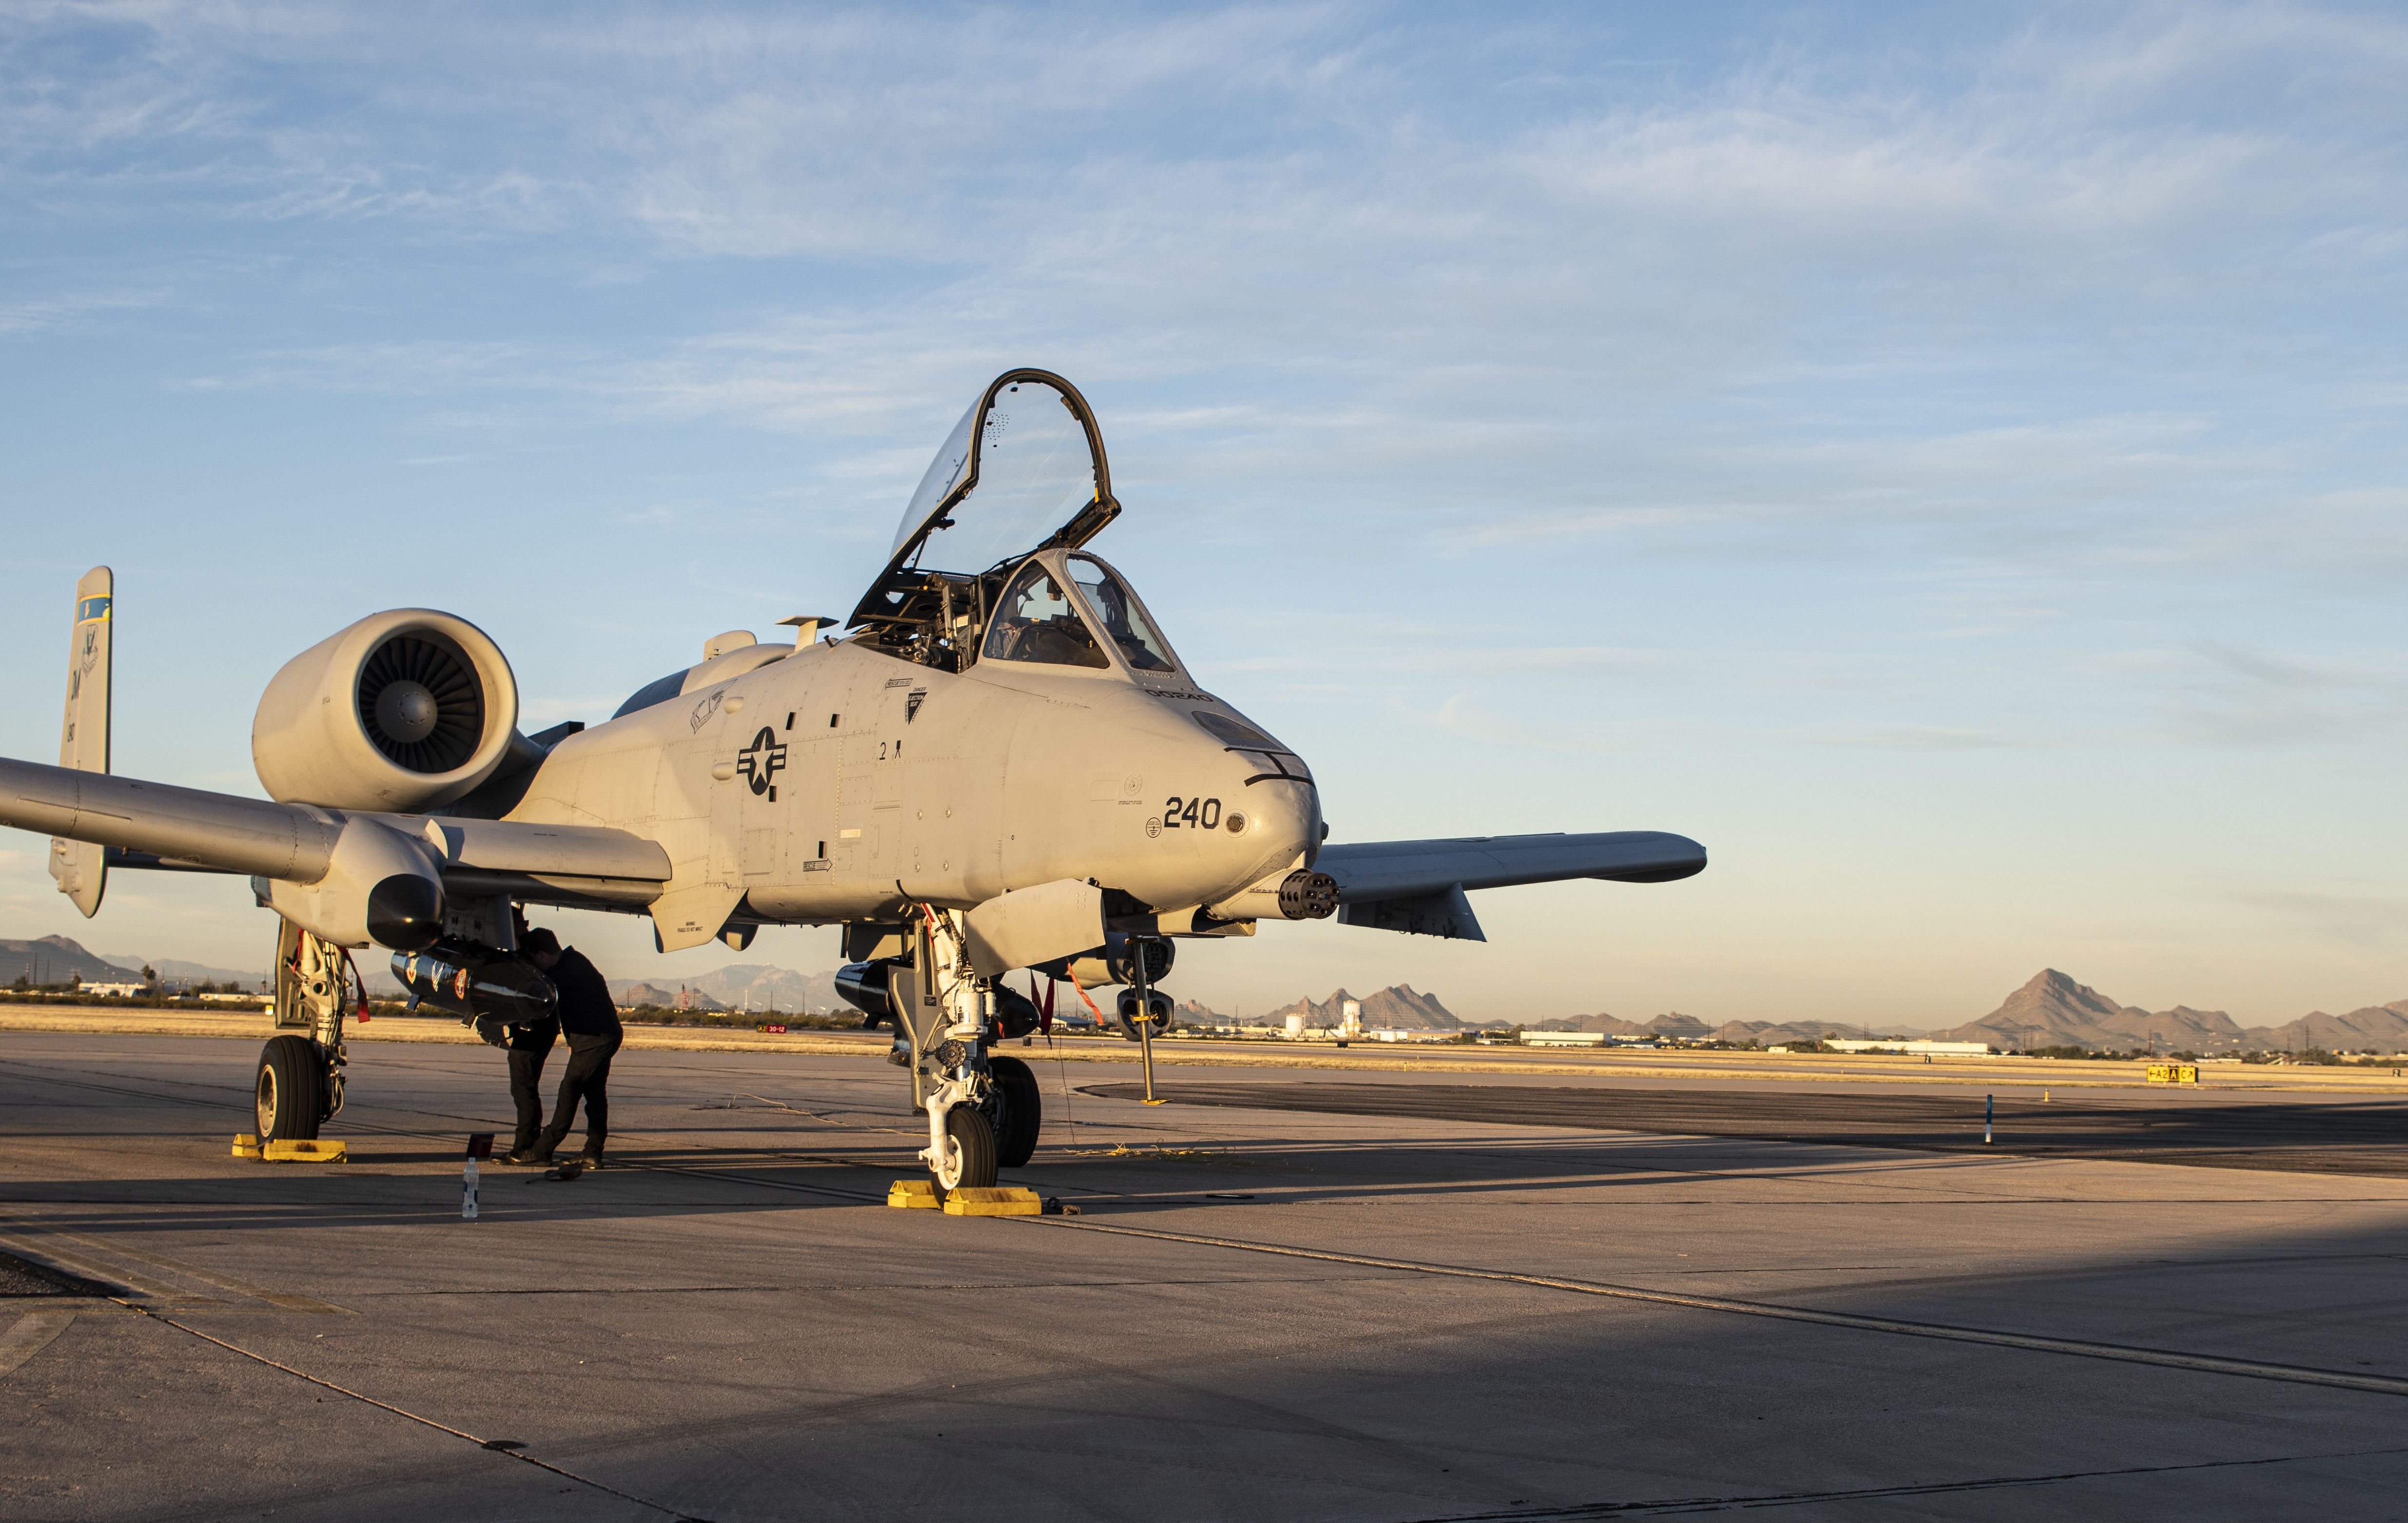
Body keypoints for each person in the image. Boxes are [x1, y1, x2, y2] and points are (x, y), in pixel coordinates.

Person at [509, 927, 623, 1167]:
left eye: (534, 961)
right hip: (597, 1039)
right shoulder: (575, 961)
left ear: (541, 955)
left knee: (569, 1092)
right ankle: (593, 1152)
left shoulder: (563, 973)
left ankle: (541, 1150)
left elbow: (536, 989)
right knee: (594, 1095)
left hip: (594, 1042)